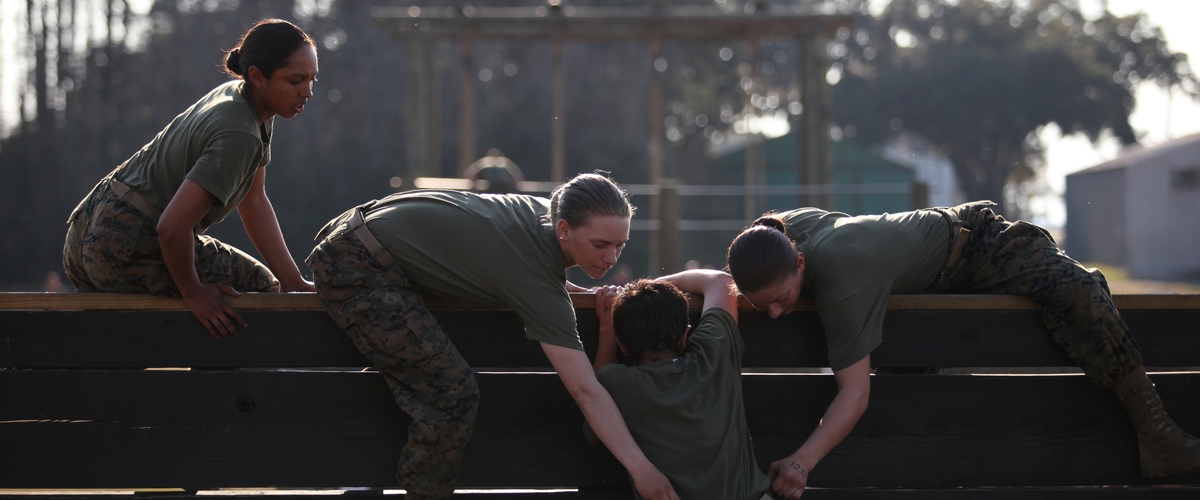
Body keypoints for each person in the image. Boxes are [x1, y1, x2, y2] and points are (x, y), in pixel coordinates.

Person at [724, 201, 1200, 499]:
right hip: (933, 272)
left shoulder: (842, 276)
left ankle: (1157, 433)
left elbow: (855, 394)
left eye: (782, 300)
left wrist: (801, 462)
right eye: (759, 306)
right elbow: (727, 278)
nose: (774, 315)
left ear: (800, 262)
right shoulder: (779, 234)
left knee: (1081, 292)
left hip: (979, 245)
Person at [305, 173, 679, 500]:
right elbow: (585, 391)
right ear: (564, 229)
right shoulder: (534, 277)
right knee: (452, 394)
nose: (612, 259)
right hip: (357, 263)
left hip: (359, 233)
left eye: (621, 245)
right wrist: (641, 469)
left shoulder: (543, 215)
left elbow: (519, 265)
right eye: (600, 245)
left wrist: (578, 294)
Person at [63, 19, 318, 338]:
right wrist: (193, 292)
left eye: (311, 79)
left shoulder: (241, 99)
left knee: (121, 352)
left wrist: (294, 282)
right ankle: (224, 389)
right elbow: (171, 228)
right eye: (296, 80)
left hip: (85, 231)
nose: (307, 91)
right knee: (257, 291)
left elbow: (254, 201)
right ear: (257, 76)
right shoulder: (239, 133)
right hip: (126, 244)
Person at [588, 269, 772, 500]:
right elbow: (720, 281)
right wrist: (652, 287)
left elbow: (595, 421)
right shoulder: (712, 354)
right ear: (685, 336)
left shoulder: (616, 384)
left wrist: (607, 331)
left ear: (623, 346)